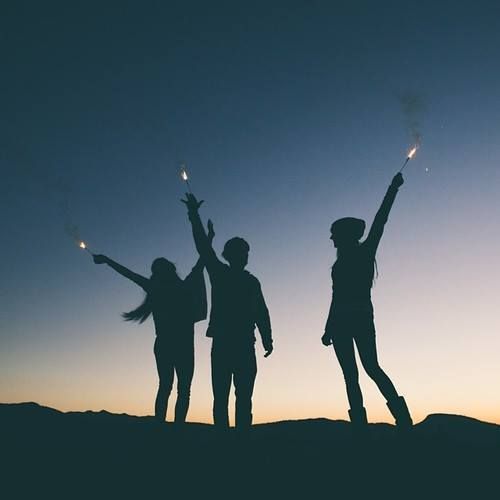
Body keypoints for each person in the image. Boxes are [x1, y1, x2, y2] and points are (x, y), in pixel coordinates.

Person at [92, 222, 213, 424]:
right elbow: (202, 261)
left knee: (166, 387)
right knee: (183, 390)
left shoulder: (155, 288)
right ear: (171, 270)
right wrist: (209, 238)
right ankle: (176, 430)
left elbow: (128, 273)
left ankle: (161, 428)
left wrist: (106, 260)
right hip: (183, 347)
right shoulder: (183, 288)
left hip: (164, 345)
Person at [322, 172, 413, 429]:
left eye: (333, 234)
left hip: (357, 318)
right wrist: (328, 328)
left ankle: (400, 419)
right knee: (355, 374)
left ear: (344, 235)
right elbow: (335, 298)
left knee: (366, 370)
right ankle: (379, 423)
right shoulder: (339, 265)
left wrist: (393, 188)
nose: (331, 239)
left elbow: (381, 219)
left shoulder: (364, 252)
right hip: (348, 321)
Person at [182, 193, 273, 429]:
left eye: (245, 252)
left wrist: (267, 339)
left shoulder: (248, 281)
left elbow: (261, 312)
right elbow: (203, 246)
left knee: (238, 400)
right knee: (227, 400)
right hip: (230, 344)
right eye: (242, 252)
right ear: (233, 255)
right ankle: (230, 444)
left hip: (238, 345)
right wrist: (194, 215)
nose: (245, 256)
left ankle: (235, 443)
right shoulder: (223, 274)